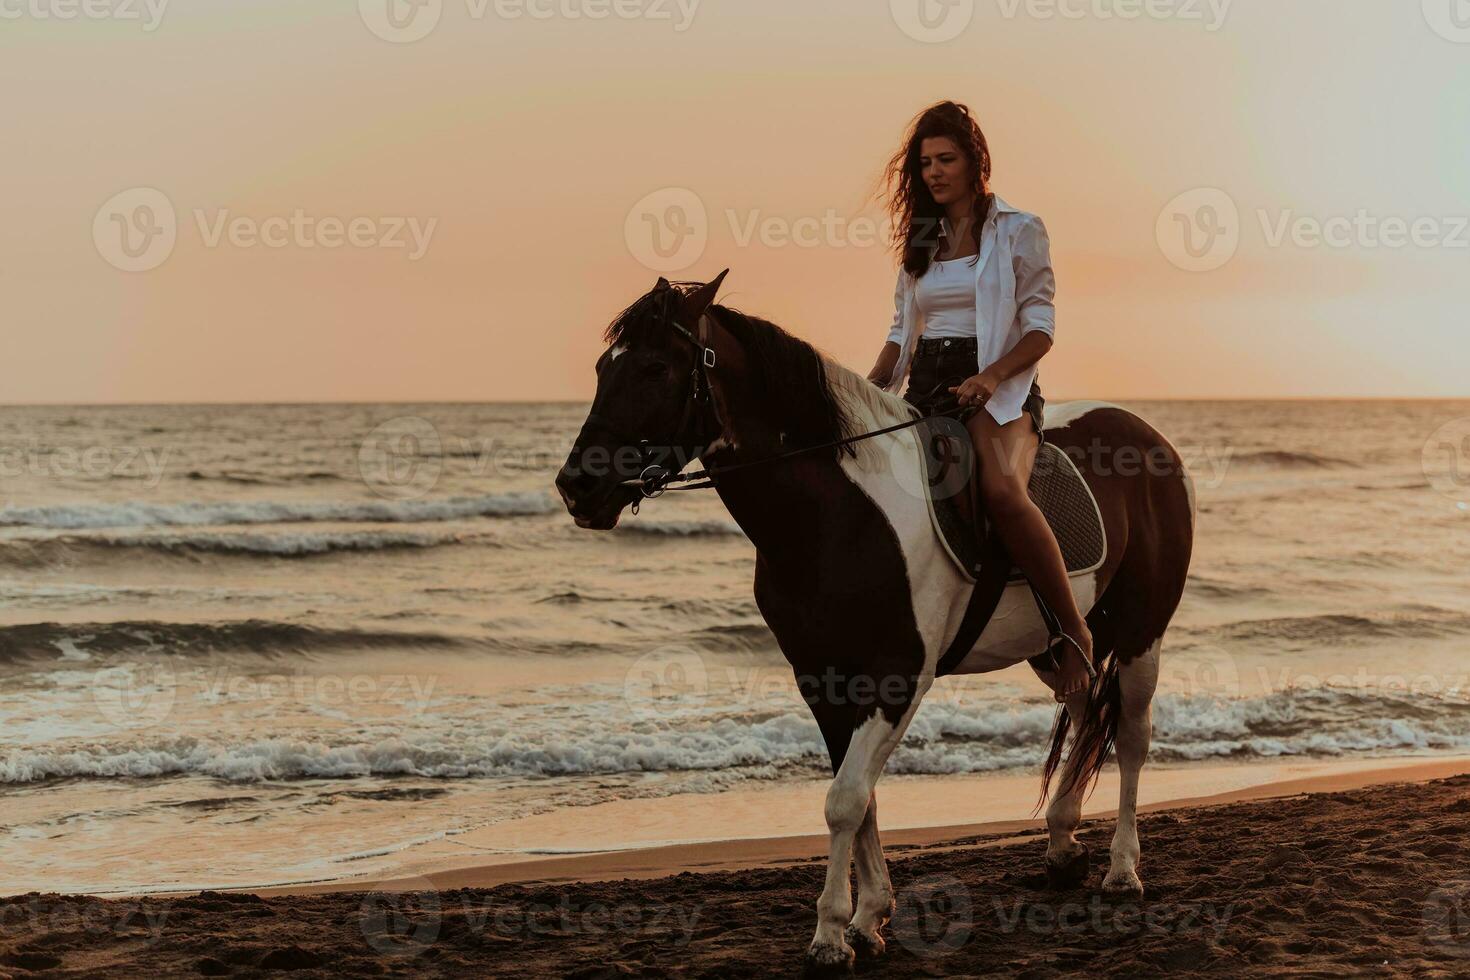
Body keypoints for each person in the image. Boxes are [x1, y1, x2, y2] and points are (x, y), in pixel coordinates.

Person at [865, 100, 1094, 703]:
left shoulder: (1019, 228)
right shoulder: (921, 235)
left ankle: (1073, 634)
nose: (934, 172)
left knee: (1000, 490)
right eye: (925, 163)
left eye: (946, 160)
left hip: (1001, 390)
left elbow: (1041, 328)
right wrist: (868, 388)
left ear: (975, 162)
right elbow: (899, 332)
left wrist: (991, 378)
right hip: (926, 387)